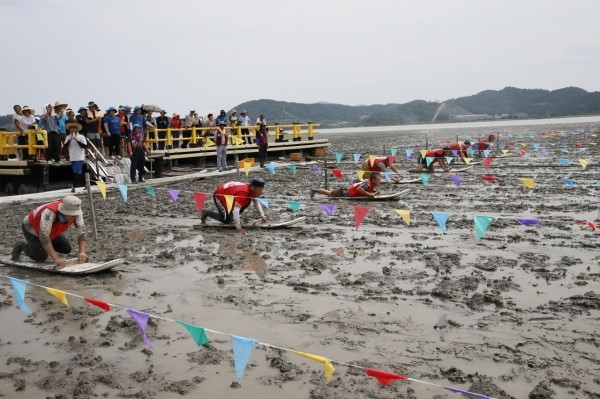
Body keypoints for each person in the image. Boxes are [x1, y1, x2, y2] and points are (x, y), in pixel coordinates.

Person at [11, 195, 88, 268]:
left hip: (51, 230)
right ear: (64, 212)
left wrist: (82, 252)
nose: (74, 218)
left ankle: (46, 248)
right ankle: (20, 245)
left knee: (66, 249)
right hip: (31, 228)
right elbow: (43, 236)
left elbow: (81, 233)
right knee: (41, 257)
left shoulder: (77, 212)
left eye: (75, 215)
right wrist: (56, 259)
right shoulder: (49, 212)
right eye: (71, 215)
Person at [200, 179, 268, 233]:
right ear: (252, 187)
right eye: (260, 189)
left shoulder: (251, 189)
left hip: (230, 196)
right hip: (220, 195)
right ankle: (207, 212)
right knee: (227, 220)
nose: (261, 192)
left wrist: (262, 215)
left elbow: (256, 201)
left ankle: (233, 217)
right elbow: (236, 210)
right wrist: (238, 228)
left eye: (262, 189)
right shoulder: (243, 192)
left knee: (248, 201)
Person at [310, 172, 382, 199]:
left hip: (347, 190)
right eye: (378, 179)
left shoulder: (370, 183)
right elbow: (359, 189)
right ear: (373, 180)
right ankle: (314, 190)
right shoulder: (368, 184)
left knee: (330, 193)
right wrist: (369, 194)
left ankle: (316, 190)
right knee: (329, 193)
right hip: (344, 192)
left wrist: (374, 192)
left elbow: (364, 189)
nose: (380, 181)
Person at [63, 119, 88, 192]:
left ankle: (73, 186)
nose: (73, 129)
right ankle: (86, 184)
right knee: (78, 173)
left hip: (79, 157)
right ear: (69, 129)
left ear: (77, 129)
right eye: (71, 128)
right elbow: (65, 146)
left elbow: (85, 146)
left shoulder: (81, 137)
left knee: (76, 172)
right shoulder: (68, 137)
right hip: (72, 157)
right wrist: (70, 140)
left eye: (74, 128)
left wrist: (77, 141)